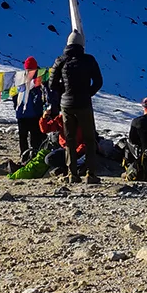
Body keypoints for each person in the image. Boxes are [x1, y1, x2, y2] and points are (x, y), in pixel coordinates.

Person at [49, 30, 103, 185]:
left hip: (66, 105)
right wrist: (88, 93)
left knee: (70, 139)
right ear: (82, 44)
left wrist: (64, 92)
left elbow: (52, 84)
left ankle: (72, 173)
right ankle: (91, 174)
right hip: (84, 104)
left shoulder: (60, 60)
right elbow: (98, 81)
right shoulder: (89, 60)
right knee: (89, 138)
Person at [11, 56, 46, 162]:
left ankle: (25, 156)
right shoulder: (40, 78)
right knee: (34, 136)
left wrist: (16, 106)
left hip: (23, 114)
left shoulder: (20, 78)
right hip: (34, 113)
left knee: (24, 137)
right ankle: (34, 156)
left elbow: (14, 94)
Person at [39, 105, 86, 176]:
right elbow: (46, 129)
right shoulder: (60, 118)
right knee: (49, 159)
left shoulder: (83, 119)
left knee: (80, 159)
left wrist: (77, 152)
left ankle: (70, 168)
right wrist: (44, 118)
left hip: (80, 151)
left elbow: (88, 140)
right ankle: (66, 168)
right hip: (66, 149)